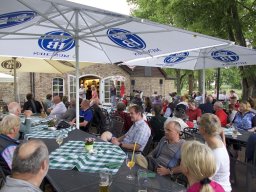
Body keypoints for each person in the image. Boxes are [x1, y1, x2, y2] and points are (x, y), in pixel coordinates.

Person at [199, 113, 232, 192]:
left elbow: (205, 181)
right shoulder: (213, 140)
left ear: (203, 129)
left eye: (199, 124)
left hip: (218, 189)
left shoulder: (216, 154)